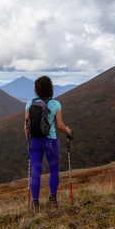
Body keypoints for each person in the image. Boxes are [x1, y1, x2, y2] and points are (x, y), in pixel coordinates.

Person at [24, 75, 72, 211]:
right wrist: (68, 132)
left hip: (34, 141)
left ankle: (35, 204)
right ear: (50, 88)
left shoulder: (30, 103)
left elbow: (26, 126)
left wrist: (28, 139)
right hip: (50, 141)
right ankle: (53, 200)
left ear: (36, 89)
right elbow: (60, 126)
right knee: (54, 170)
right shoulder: (56, 104)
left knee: (36, 173)